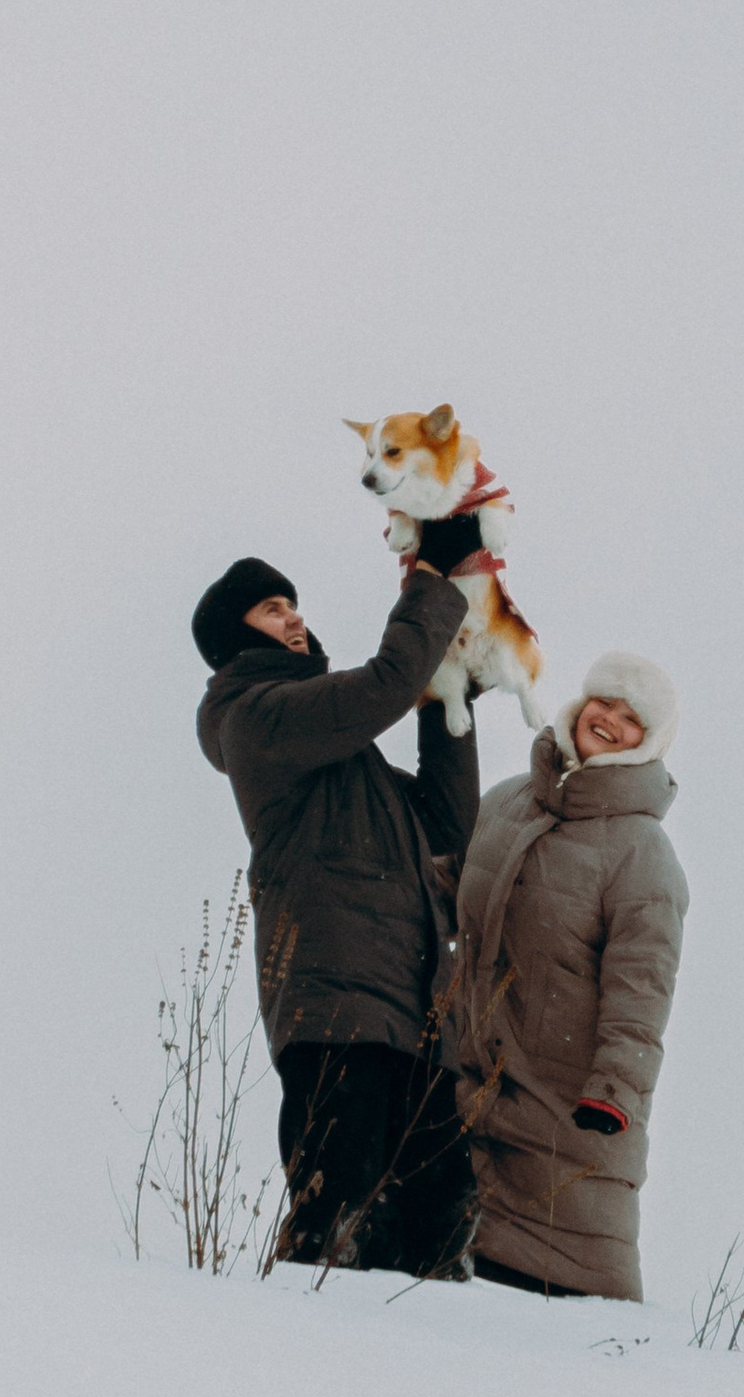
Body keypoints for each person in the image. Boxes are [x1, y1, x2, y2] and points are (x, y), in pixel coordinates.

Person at [192, 536, 495, 1277]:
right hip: (337, 1018)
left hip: (413, 1023)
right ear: (238, 636)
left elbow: (448, 824)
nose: (295, 618)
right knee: (335, 1233)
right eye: (272, 609)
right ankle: (297, 1373)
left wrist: (448, 694)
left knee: (437, 1236)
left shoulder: (346, 764)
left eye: (295, 605)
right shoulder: (255, 718)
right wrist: (429, 580)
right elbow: (384, 683)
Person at [444, 648, 688, 1303]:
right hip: (469, 1103)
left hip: (568, 1121)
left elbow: (641, 992)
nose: (610, 718)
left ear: (647, 743)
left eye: (632, 718)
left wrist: (616, 1095)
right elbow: (448, 902)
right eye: (605, 700)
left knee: (567, 1346)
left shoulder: (643, 854)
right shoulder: (506, 803)